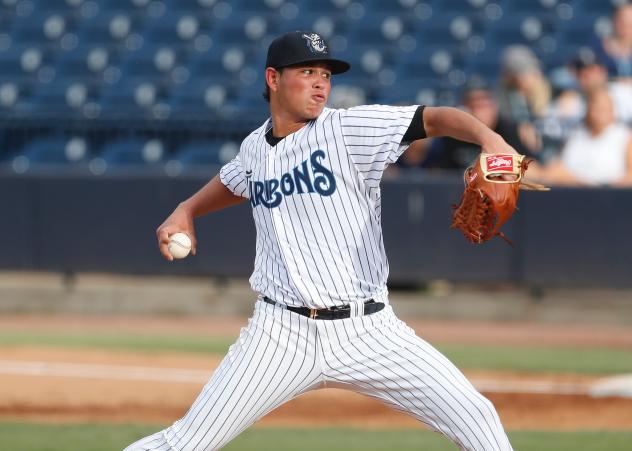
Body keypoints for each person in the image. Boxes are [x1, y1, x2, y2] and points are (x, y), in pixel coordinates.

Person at [124, 31, 515, 451]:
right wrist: (187, 208)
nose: (320, 83)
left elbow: (434, 118)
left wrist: (490, 140)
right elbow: (235, 179)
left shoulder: (348, 128)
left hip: (369, 330)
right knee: (186, 441)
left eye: (326, 74)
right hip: (279, 334)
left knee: (476, 416)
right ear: (273, 79)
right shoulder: (255, 147)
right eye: (307, 71)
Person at [418, 79, 535, 171]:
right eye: (474, 105)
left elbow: (532, 169)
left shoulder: (507, 129)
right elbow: (439, 172)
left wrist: (491, 166)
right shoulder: (453, 132)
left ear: (494, 106)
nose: (479, 112)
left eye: (484, 105)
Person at [537, 87, 632, 187]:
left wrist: (602, 188)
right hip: (570, 190)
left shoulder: (625, 137)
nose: (598, 113)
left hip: (609, 194)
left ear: (612, 110)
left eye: (603, 108)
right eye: (595, 107)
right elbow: (558, 166)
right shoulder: (575, 134)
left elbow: (630, 176)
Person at [593, 3, 632, 80]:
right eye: (622, 21)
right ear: (613, 21)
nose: (626, 26)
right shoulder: (596, 49)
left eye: (630, 22)